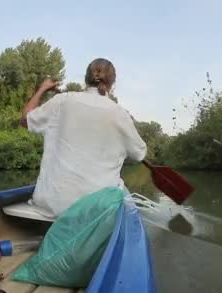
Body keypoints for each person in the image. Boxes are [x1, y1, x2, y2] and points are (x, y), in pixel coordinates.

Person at [20, 58, 147, 217]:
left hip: (51, 206)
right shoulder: (120, 114)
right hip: (95, 212)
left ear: (86, 78)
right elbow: (140, 153)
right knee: (121, 191)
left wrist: (42, 89)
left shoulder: (62, 100)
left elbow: (24, 120)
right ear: (112, 84)